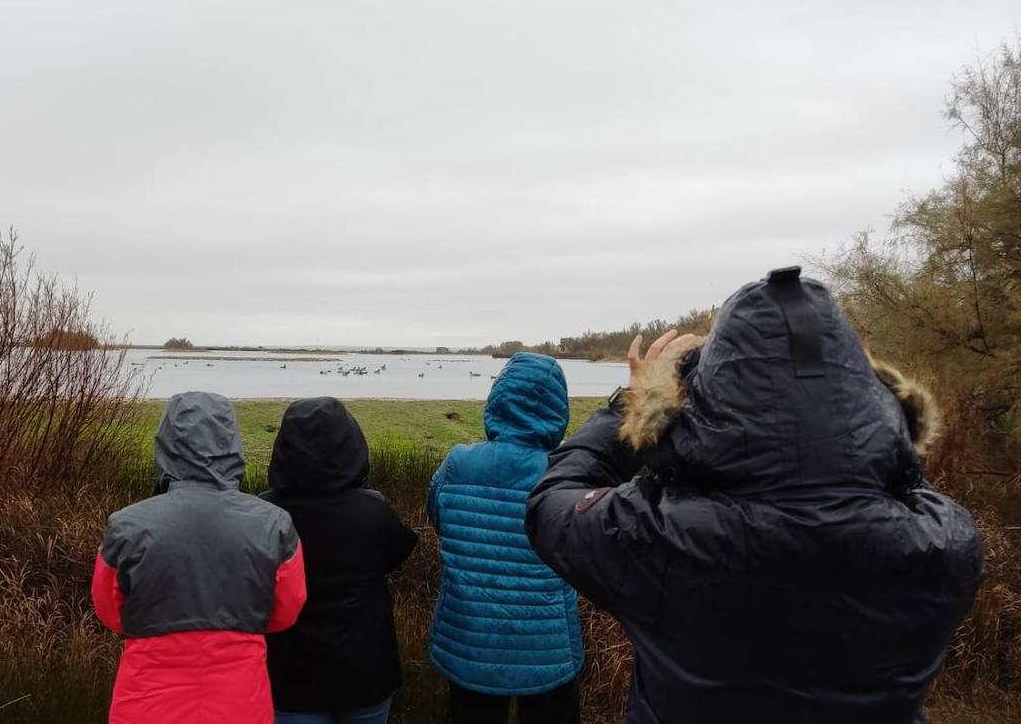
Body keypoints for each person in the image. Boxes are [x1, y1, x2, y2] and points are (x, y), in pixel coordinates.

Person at [526, 267, 985, 724]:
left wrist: (635, 408)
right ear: (867, 392)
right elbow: (902, 476)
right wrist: (888, 429)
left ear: (700, 399)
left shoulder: (656, 535)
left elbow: (552, 500)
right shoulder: (946, 542)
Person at [91, 391, 307, 724]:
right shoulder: (273, 523)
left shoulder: (126, 525)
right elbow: (286, 611)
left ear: (165, 443)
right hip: (240, 701)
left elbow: (110, 612)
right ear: (232, 443)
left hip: (147, 701)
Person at [427, 352, 584, 724]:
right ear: (559, 408)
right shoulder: (567, 472)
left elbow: (440, 518)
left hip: (469, 637)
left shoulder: (458, 462)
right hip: (548, 647)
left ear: (497, 399)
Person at [261, 397, 418, 724]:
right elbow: (399, 550)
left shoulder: (263, 514)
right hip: (365, 674)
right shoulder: (373, 512)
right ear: (351, 445)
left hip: (289, 678)